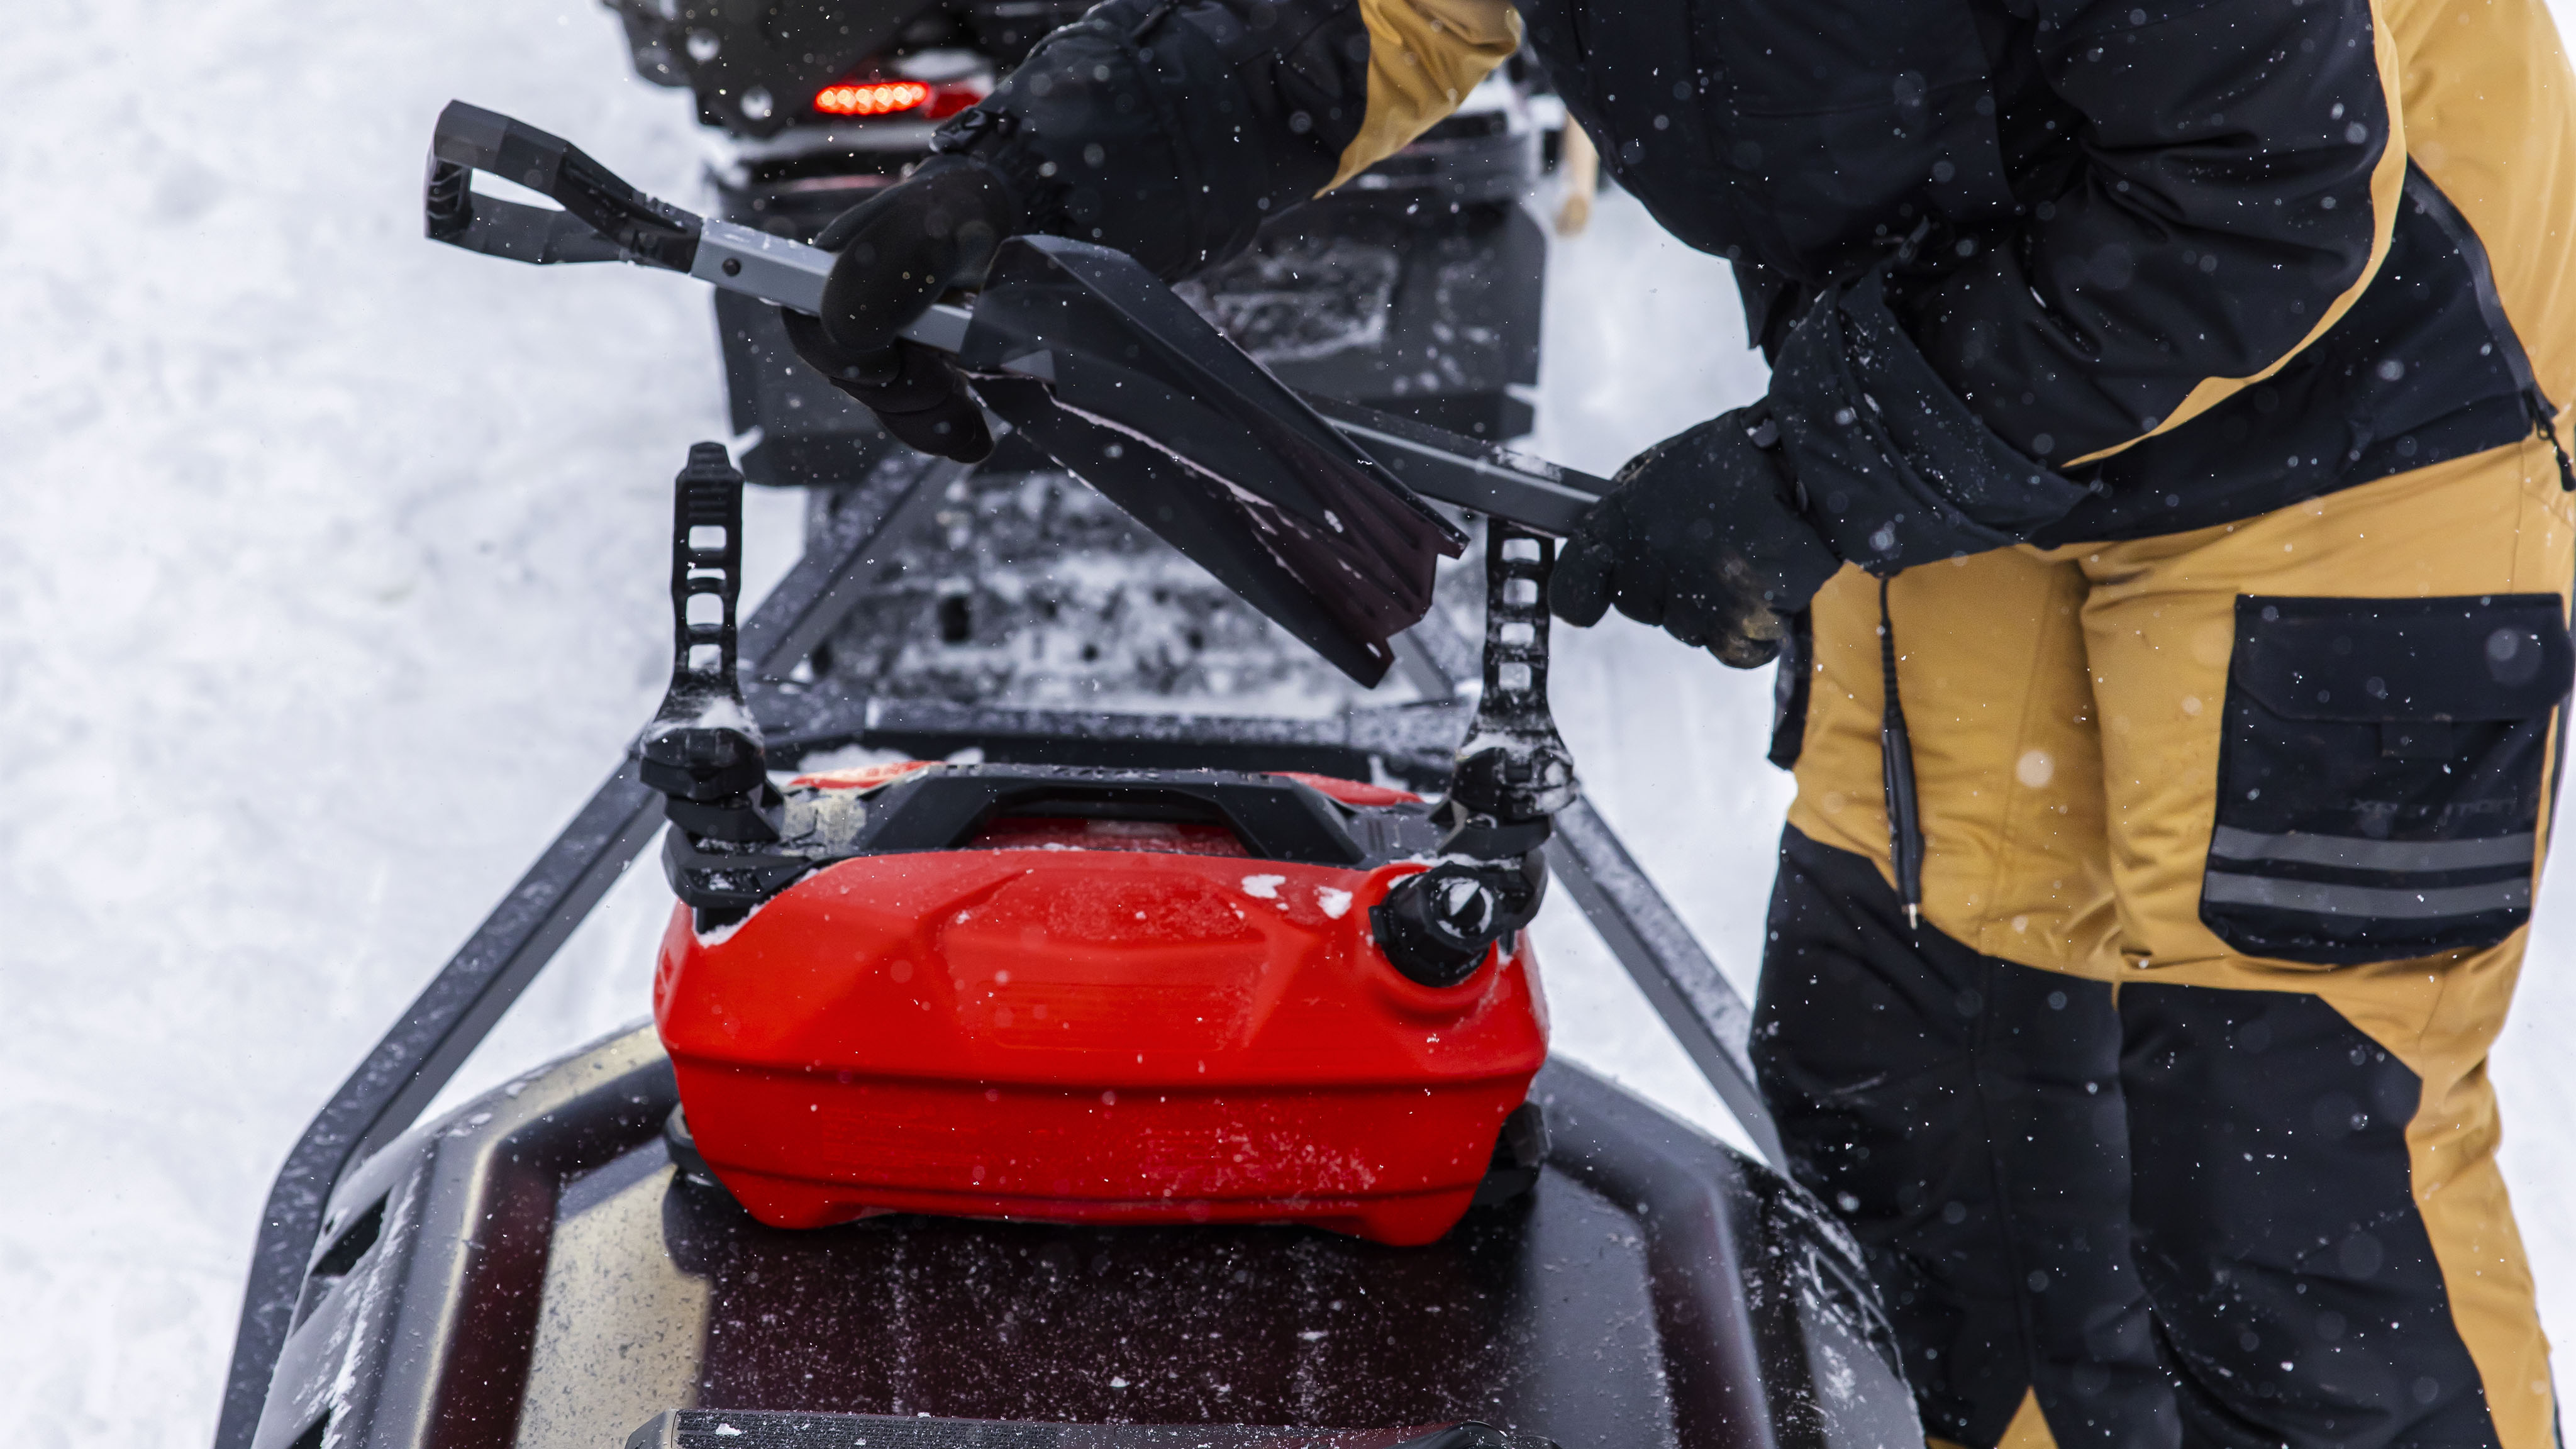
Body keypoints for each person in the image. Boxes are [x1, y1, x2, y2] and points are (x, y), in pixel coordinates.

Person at [780, 1, 2576, 1445]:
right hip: (1984, 406)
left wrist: (1811, 474)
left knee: (2280, 1204)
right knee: (1941, 1110)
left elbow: (2255, 194)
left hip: (2343, 433)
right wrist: (1036, 174)